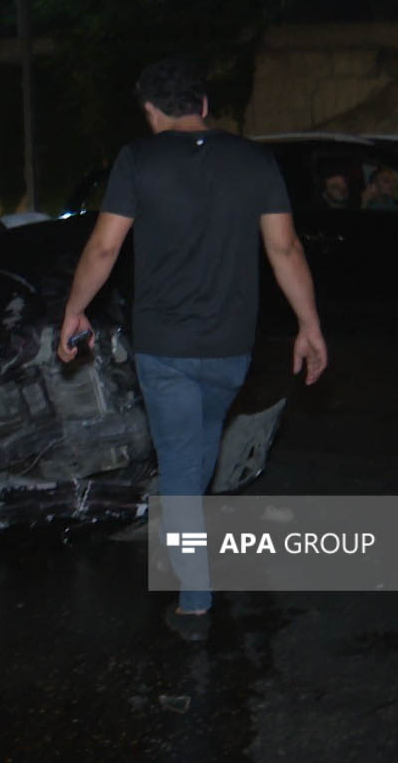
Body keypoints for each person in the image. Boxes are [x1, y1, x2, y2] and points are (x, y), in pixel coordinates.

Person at [56, 57, 328, 641]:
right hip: (232, 348)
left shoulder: (138, 159)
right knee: (196, 450)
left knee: (182, 466)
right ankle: (192, 542)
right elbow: (286, 249)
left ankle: (195, 599)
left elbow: (103, 249)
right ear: (204, 106)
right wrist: (309, 325)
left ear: (151, 113)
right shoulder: (255, 161)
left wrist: (76, 309)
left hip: (166, 348)